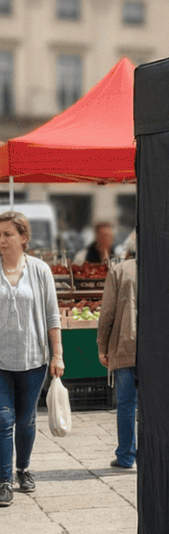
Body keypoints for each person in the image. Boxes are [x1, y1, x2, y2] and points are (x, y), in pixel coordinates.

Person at [0, 211, 64, 507]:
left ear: (23, 238)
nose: (1, 240)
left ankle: (23, 469)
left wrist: (58, 355)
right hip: (0, 361)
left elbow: (53, 316)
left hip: (34, 359)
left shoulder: (40, 271)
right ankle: (4, 480)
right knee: (3, 419)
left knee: (26, 420)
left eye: (7, 234)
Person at [97, 231, 137, 470]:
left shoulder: (119, 270)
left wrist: (102, 346)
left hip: (125, 346)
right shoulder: (166, 269)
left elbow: (107, 313)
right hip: (158, 351)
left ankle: (125, 456)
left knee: (125, 404)